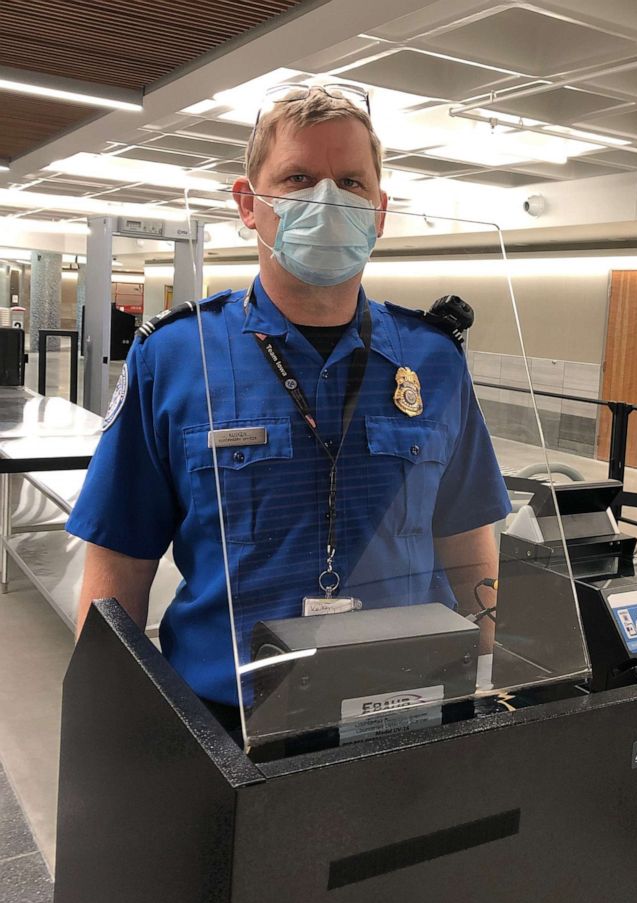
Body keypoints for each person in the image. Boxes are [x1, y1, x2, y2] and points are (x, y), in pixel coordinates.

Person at [67, 83, 510, 715]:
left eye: (351, 183)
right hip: (226, 718)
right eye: (298, 178)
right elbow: (120, 563)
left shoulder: (432, 360)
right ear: (248, 204)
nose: (326, 200)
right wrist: (105, 723)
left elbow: (467, 542)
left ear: (380, 211)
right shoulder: (174, 357)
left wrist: (489, 687)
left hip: (410, 703)